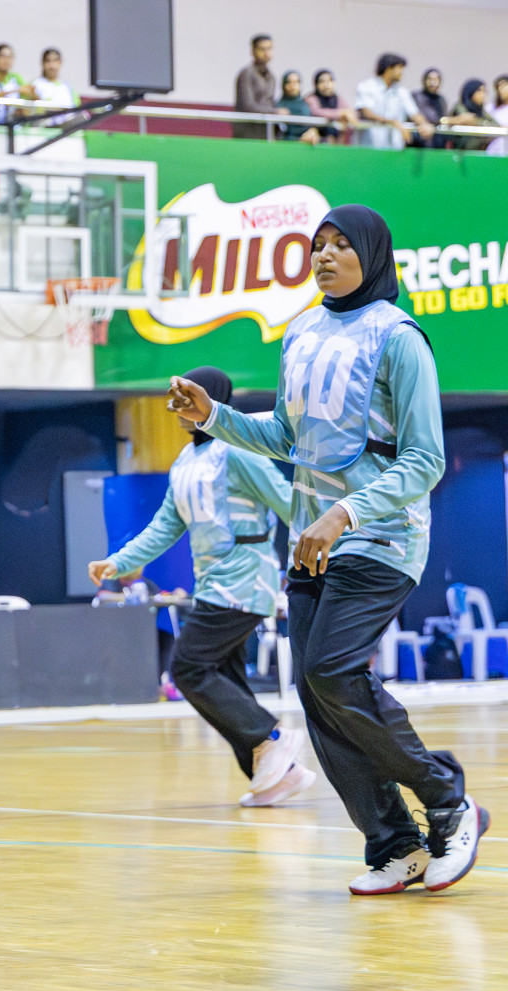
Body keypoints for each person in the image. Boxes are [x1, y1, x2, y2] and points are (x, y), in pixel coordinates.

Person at [167, 205, 485, 896]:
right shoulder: (301, 333)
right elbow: (286, 438)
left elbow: (426, 459)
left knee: (333, 671)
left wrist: (344, 512)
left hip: (380, 533)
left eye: (342, 245)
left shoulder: (400, 339)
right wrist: (214, 418)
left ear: (372, 254)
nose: (326, 255)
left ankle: (447, 800)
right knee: (316, 694)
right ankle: (393, 843)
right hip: (311, 543)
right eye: (317, 245)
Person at [89, 367, 312, 807]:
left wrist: (327, 548)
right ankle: (278, 775)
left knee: (188, 668)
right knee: (223, 676)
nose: (178, 408)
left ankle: (272, 737)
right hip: (212, 582)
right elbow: (164, 528)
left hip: (247, 578)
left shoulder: (240, 451)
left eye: (187, 397)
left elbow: (290, 504)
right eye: (174, 400)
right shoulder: (184, 464)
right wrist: (118, 562)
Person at [354, 53, 434, 150]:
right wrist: (393, 123)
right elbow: (367, 113)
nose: (402, 72)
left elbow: (414, 113)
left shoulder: (402, 91)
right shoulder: (366, 86)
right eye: (399, 68)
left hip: (394, 149)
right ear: (389, 69)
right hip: (369, 147)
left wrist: (424, 124)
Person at [232, 35, 279, 140]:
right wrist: (276, 111)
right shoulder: (246, 74)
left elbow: (270, 102)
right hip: (247, 133)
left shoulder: (271, 76)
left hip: (266, 131)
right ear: (253, 51)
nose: (266, 53)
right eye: (262, 49)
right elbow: (247, 106)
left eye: (269, 49)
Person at [26, 47, 77, 124]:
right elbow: (28, 111)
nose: (51, 65)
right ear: (42, 63)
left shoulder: (68, 87)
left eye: (55, 61)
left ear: (60, 63)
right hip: (43, 126)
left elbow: (76, 109)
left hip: (67, 128)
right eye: (48, 61)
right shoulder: (35, 84)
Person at [307, 69, 359, 142]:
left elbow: (349, 111)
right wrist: (340, 114)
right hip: (317, 140)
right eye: (322, 82)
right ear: (316, 84)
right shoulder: (311, 98)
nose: (326, 85)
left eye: (329, 81)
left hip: (336, 141)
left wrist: (347, 115)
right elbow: (316, 112)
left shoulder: (337, 98)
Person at [448, 79, 497, 151]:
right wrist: (484, 124)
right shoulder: (460, 107)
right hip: (461, 151)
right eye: (479, 91)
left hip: (479, 152)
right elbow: (469, 120)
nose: (483, 95)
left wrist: (484, 124)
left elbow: (496, 125)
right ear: (471, 92)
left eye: (484, 91)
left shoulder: (482, 112)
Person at [275, 71, 321, 144]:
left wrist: (313, 131)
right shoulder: (279, 106)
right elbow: (279, 134)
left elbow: (312, 125)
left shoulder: (306, 104)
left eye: (296, 82)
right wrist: (300, 140)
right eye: (289, 82)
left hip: (308, 144)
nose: (293, 86)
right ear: (283, 85)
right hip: (287, 145)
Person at [410, 68, 448, 149]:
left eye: (436, 79)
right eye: (429, 79)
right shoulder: (416, 96)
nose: (433, 83)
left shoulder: (441, 99)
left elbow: (442, 118)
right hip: (419, 140)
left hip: (437, 142)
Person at [487, 77, 508, 156]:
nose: (501, 89)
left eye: (504, 85)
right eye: (498, 87)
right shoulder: (491, 108)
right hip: (496, 150)